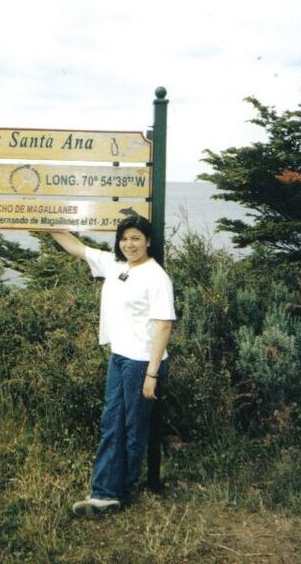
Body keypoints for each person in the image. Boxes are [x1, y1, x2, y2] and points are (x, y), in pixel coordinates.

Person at [49, 215, 175, 518]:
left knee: (132, 429)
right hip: (119, 357)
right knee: (110, 425)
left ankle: (117, 492)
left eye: (136, 238)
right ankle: (103, 492)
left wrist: (151, 375)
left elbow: (163, 326)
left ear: (148, 242)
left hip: (143, 362)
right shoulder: (116, 266)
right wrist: (43, 221)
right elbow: (76, 247)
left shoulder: (156, 276)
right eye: (124, 238)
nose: (129, 244)